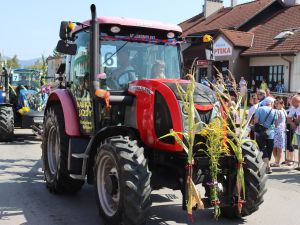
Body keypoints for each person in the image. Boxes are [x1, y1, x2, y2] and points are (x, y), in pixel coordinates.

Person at [254, 98, 277, 174]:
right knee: (269, 149)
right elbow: (275, 124)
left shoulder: (259, 109)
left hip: (260, 132)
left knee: (262, 148)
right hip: (271, 133)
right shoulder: (275, 111)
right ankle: (268, 163)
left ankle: (267, 165)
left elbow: (256, 121)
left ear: (265, 103)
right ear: (271, 104)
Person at [271, 97, 287, 167]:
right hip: (280, 130)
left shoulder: (277, 111)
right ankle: (277, 161)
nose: (276, 104)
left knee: (277, 147)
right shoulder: (283, 111)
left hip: (277, 130)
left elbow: (275, 121)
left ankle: (277, 162)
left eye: (279, 103)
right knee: (276, 147)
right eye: (276, 103)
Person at [287, 95, 300, 170]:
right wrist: (292, 124)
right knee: (299, 148)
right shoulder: (293, 108)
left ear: (298, 102)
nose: (291, 103)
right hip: (298, 132)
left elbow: (298, 119)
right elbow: (288, 118)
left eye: (293, 102)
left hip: (298, 130)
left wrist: (294, 124)